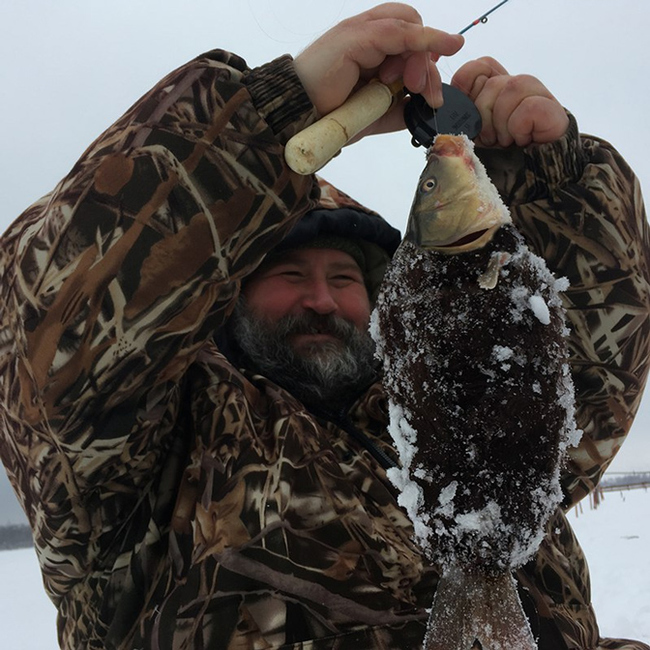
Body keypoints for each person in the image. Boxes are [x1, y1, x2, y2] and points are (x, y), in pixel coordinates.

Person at [0, 3, 648, 649]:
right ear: (223, 291)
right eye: (286, 276)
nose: (321, 299)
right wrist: (277, 113)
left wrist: (554, 186)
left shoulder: (439, 409)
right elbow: (51, 331)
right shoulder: (160, 450)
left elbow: (573, 379)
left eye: (344, 278)